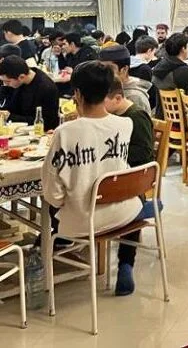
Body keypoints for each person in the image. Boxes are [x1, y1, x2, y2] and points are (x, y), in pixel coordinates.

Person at [42, 61, 143, 294]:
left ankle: (49, 251)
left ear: (77, 94)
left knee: (52, 207)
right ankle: (126, 265)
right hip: (124, 213)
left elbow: (52, 193)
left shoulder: (65, 132)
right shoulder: (125, 124)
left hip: (82, 220)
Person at [102, 75, 155, 295]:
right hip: (110, 180)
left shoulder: (136, 117)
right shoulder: (111, 118)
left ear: (117, 98)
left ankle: (126, 263)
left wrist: (113, 158)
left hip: (133, 181)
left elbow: (144, 155)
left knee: (130, 201)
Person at [0, 55, 59, 130]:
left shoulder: (46, 88)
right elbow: (5, 104)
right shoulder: (16, 79)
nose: (5, 84)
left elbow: (47, 122)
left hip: (38, 131)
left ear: (21, 77)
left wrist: (10, 117)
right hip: (14, 127)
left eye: (7, 81)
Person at [97, 45, 153, 115]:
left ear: (124, 69)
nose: (103, 72)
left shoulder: (135, 97)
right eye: (101, 68)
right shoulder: (107, 87)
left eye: (109, 68)